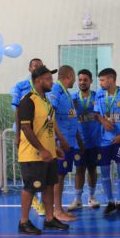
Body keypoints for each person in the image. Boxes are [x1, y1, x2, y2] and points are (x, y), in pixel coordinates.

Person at [17, 66, 68, 235]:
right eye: (48, 79)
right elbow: (26, 128)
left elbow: (47, 128)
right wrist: (41, 149)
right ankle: (24, 222)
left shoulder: (45, 101)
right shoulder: (28, 100)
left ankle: (49, 219)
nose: (52, 82)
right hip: (32, 155)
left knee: (49, 186)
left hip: (49, 154)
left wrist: (54, 148)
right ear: (38, 81)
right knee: (30, 188)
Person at [94, 68, 120, 215]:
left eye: (102, 80)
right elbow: (96, 113)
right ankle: (110, 202)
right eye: (100, 80)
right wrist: (103, 121)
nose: (100, 83)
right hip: (104, 141)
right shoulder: (99, 94)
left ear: (111, 80)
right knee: (105, 171)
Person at [11, 58, 46, 215]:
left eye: (40, 66)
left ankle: (41, 200)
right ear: (29, 68)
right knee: (30, 168)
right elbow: (17, 112)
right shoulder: (21, 86)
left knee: (43, 168)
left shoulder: (46, 86)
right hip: (26, 132)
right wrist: (18, 135)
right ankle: (33, 200)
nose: (37, 68)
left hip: (42, 132)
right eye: (35, 66)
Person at [47, 65, 78, 222]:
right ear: (69, 76)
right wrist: (59, 140)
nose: (75, 81)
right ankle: (56, 211)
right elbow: (50, 116)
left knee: (62, 176)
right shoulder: (56, 91)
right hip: (61, 142)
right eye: (74, 77)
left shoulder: (67, 93)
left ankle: (58, 208)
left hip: (69, 142)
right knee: (57, 177)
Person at [68, 69, 101, 210]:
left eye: (85, 80)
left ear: (91, 81)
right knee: (79, 169)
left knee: (92, 169)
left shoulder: (98, 97)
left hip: (95, 141)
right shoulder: (72, 99)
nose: (82, 82)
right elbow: (70, 119)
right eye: (80, 80)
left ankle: (92, 197)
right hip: (78, 142)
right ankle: (77, 199)